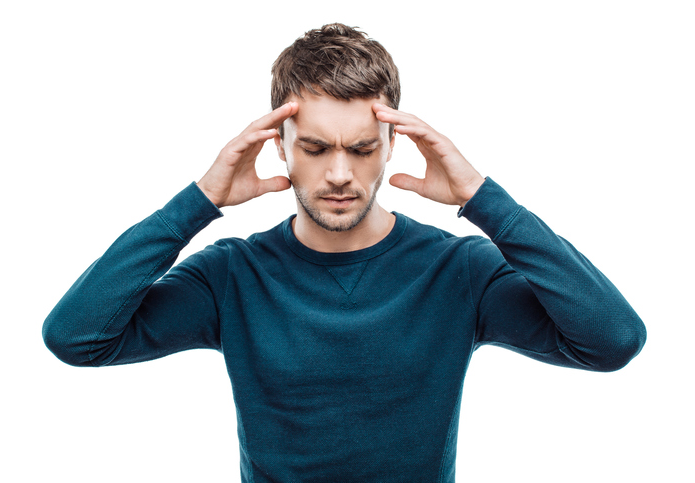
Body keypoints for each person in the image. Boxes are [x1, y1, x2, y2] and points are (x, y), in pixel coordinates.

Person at [42, 23, 646, 482]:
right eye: (314, 147)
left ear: (392, 145)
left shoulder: (459, 271)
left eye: (361, 149)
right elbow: (76, 337)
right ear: (277, 145)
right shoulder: (232, 275)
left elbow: (612, 340)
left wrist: (484, 200)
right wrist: (199, 202)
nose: (338, 174)